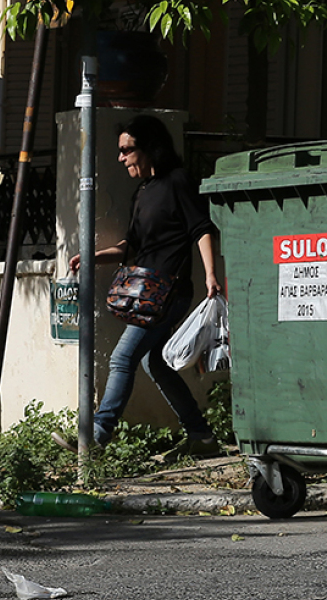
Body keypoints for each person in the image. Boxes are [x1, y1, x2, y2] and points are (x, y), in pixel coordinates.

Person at [54, 114, 220, 456]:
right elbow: (131, 246)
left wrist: (210, 275)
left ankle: (96, 436)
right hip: (145, 293)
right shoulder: (143, 192)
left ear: (150, 148)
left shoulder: (177, 181)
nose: (121, 158)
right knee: (154, 363)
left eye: (127, 150)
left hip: (168, 291)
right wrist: (93, 257)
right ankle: (201, 436)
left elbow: (201, 228)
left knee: (123, 357)